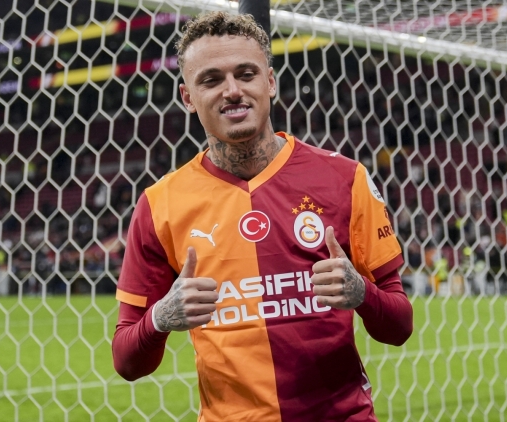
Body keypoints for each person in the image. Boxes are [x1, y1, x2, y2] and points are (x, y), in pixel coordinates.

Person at [112, 11, 413, 421]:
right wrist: (160, 319)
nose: (233, 91)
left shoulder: (345, 179)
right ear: (187, 97)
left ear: (269, 82)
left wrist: (362, 293)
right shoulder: (160, 204)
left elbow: (399, 326)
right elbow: (127, 361)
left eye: (246, 74)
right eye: (211, 80)